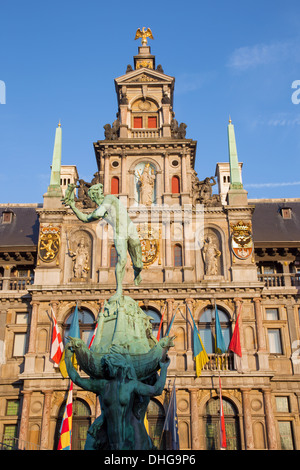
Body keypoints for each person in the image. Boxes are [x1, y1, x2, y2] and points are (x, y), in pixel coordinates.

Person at [64, 343, 170, 450]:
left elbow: (157, 390)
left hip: (130, 439)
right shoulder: (102, 385)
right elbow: (77, 379)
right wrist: (67, 358)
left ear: (118, 366)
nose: (108, 368)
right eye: (107, 366)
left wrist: (164, 369)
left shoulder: (131, 385)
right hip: (109, 438)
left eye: (110, 365)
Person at [63, 183, 143, 301]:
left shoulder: (109, 198)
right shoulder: (100, 208)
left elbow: (98, 213)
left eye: (94, 196)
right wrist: (73, 207)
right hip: (119, 233)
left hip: (130, 229)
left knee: (138, 264)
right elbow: (85, 219)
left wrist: (95, 214)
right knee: (122, 259)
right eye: (93, 197)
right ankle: (119, 290)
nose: (94, 198)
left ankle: (137, 272)